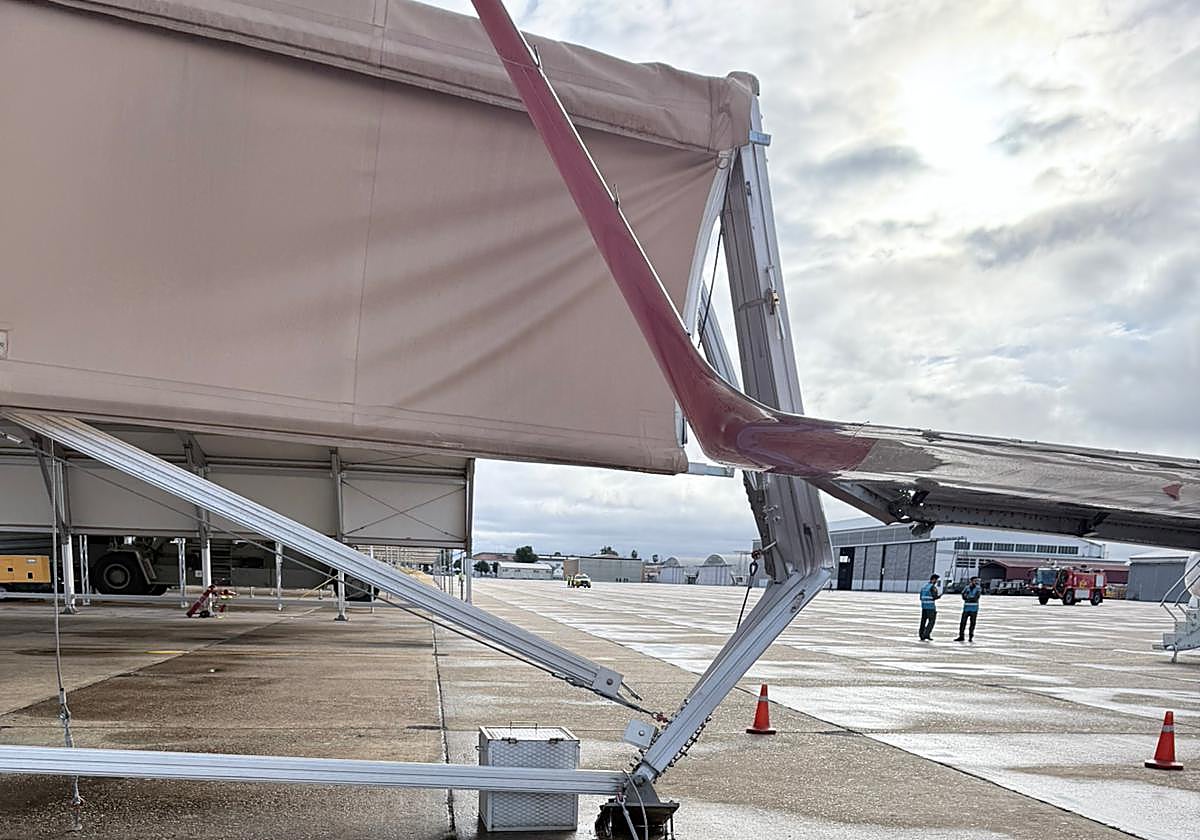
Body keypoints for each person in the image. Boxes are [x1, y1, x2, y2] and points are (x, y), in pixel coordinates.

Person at [955, 576, 982, 642]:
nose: (976, 582)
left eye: (977, 581)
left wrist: (968, 598)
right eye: (975, 581)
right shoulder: (967, 587)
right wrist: (967, 597)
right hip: (966, 608)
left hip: (974, 609)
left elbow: (976, 597)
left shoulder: (978, 588)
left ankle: (970, 637)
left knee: (972, 624)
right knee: (962, 623)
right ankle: (961, 636)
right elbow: (963, 595)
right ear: (971, 581)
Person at [918, 574, 940, 640]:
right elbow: (934, 596)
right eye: (936, 580)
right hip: (930, 607)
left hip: (924, 606)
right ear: (933, 579)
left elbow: (921, 597)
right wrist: (938, 597)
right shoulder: (932, 587)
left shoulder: (924, 587)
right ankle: (926, 634)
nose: (936, 581)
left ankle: (921, 634)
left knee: (923, 621)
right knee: (931, 621)